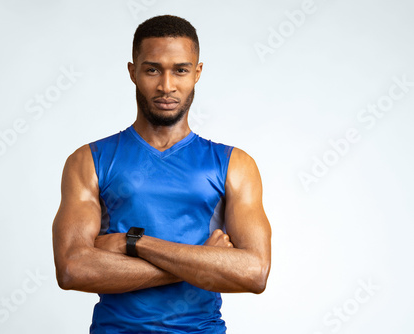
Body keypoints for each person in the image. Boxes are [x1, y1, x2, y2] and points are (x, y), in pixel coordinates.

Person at [52, 15, 271, 333]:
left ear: (197, 73)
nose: (166, 86)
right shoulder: (89, 160)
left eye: (180, 70)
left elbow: (254, 273)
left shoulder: (234, 164)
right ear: (133, 72)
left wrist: (136, 243)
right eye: (152, 69)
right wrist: (204, 261)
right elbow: (73, 269)